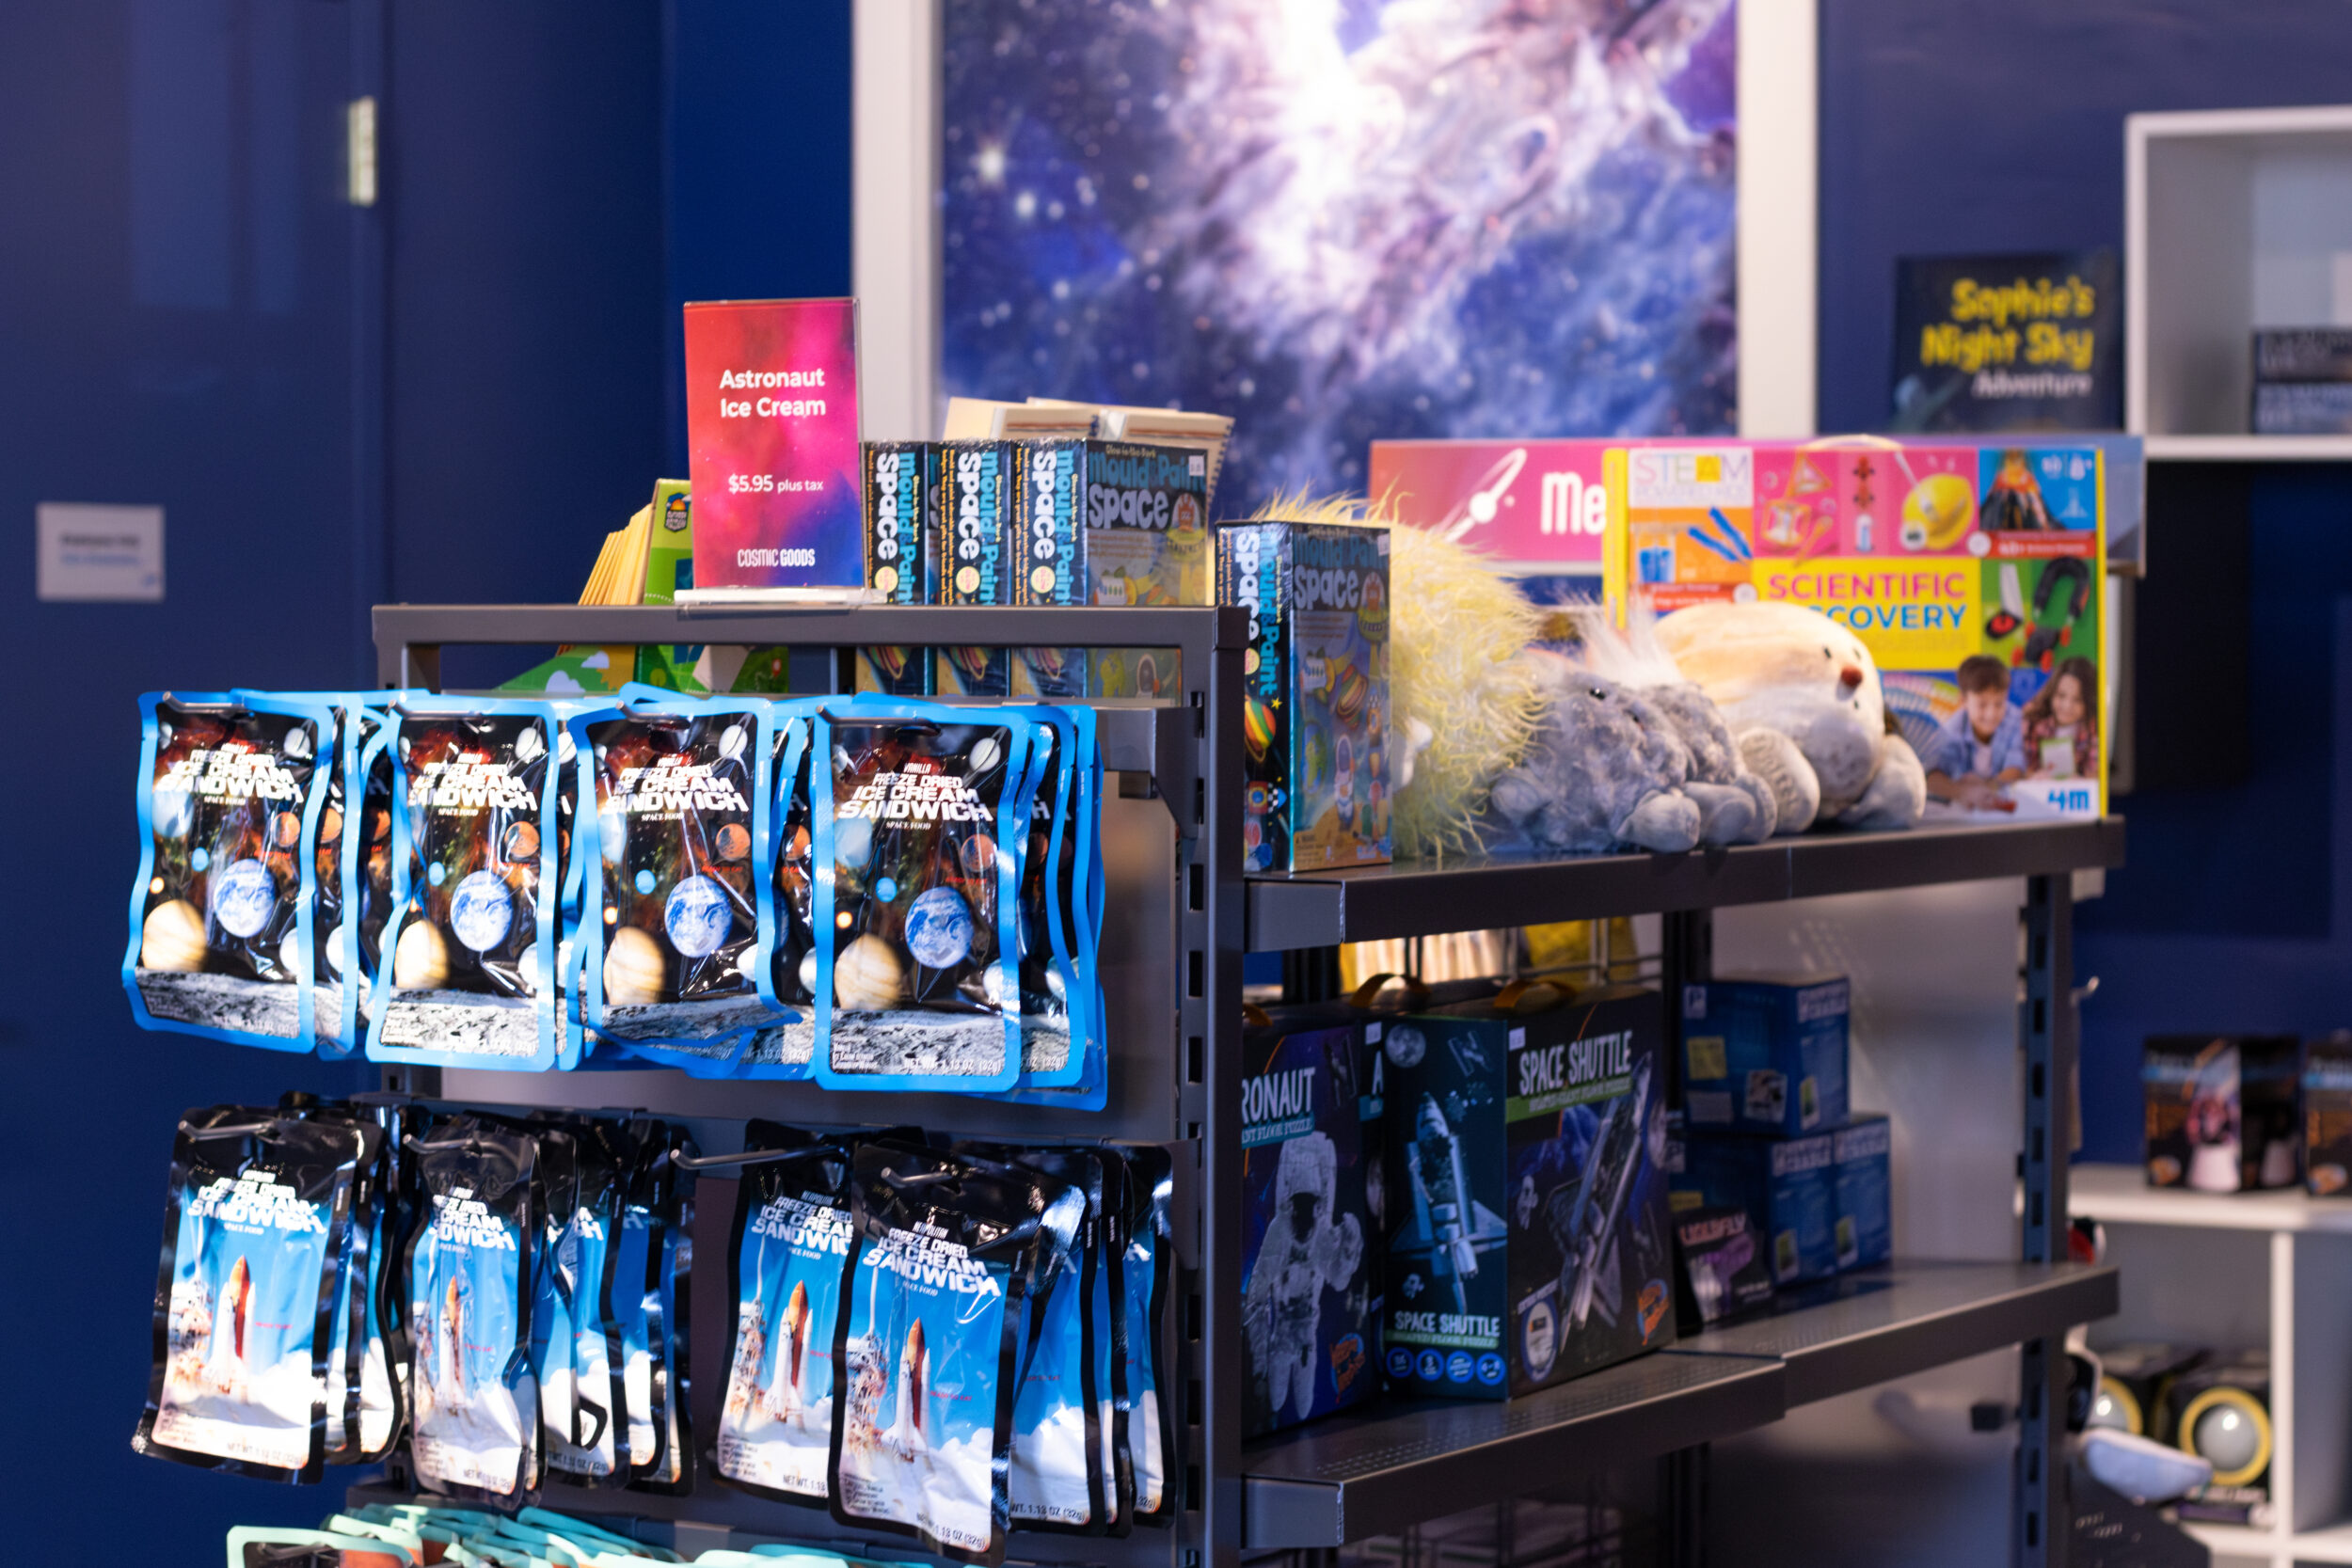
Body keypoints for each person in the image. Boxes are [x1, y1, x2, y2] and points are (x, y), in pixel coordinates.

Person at [1924, 655, 2026, 809]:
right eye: (1982, 705)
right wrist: (1961, 792)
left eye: (1999, 704)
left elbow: (2016, 766)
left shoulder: (2016, 720)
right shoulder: (1952, 729)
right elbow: (1932, 776)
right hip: (1965, 811)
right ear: (1963, 701)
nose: (1991, 714)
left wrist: (1988, 786)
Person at [2020, 657, 2098, 782]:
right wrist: (2035, 778)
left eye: (2077, 700)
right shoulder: (2031, 720)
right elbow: (2019, 768)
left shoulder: (2093, 726)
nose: (2067, 706)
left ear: (2088, 702)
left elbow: (2095, 773)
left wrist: (2079, 781)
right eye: (2061, 696)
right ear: (2051, 693)